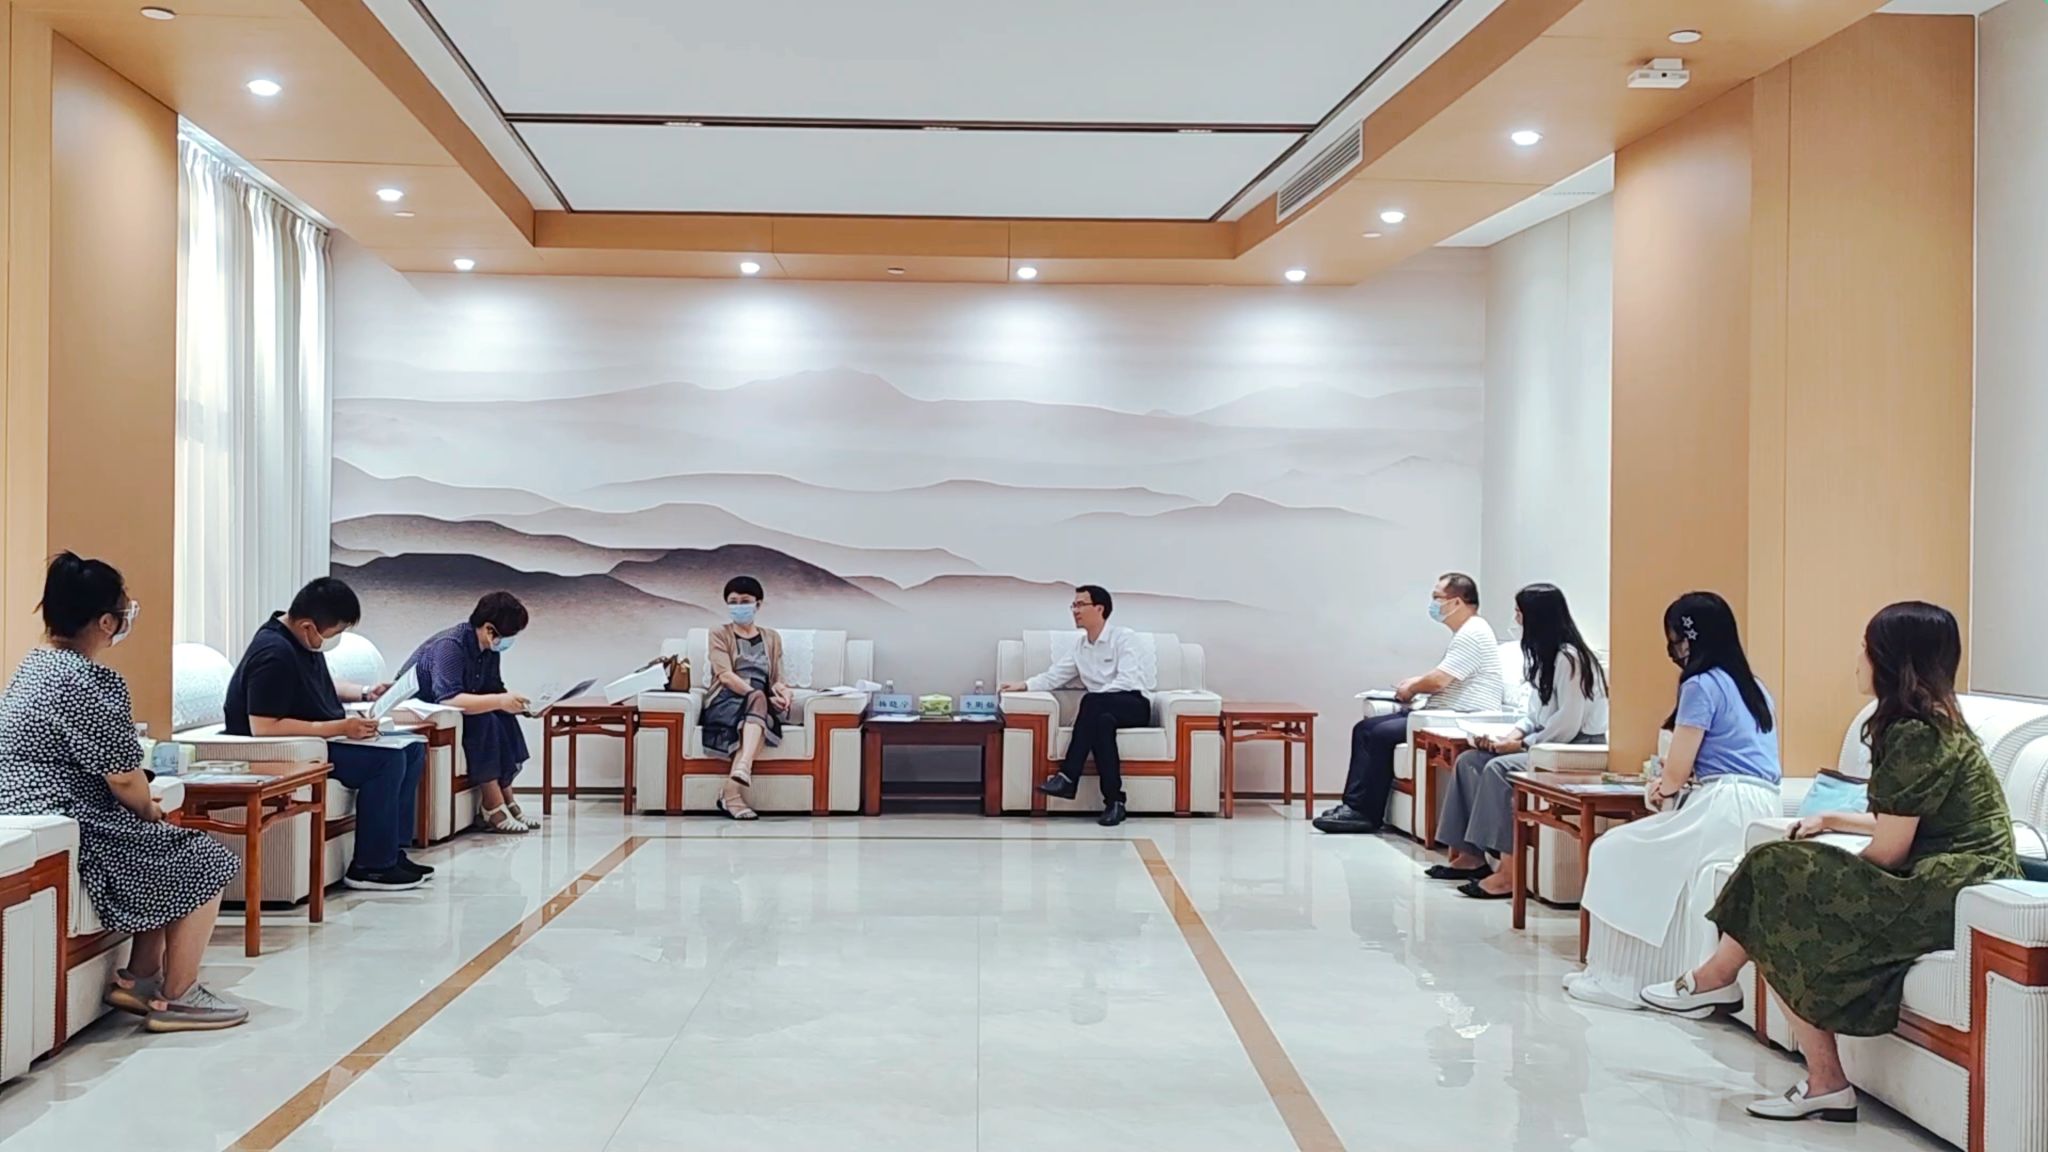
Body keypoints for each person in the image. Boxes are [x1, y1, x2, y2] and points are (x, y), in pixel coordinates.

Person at [1642, 602, 2018, 1123]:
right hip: (1945, 873)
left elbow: (1890, 850)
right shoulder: (1928, 721)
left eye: (1866, 648)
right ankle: (1751, 1012)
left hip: (1951, 886)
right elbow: (1904, 819)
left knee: (1777, 876)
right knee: (1775, 871)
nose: (1858, 659)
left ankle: (1726, 989)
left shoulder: (1915, 732)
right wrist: (1833, 821)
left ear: (1892, 659)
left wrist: (1828, 878)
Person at [0, 553, 246, 1031]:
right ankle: (179, 996)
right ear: (106, 622)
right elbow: (124, 778)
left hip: (29, 805)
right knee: (206, 860)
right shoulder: (91, 682)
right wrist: (149, 808)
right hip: (69, 813)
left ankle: (140, 979)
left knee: (164, 852)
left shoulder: (34, 668)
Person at [1562, 591, 1782, 1013]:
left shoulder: (1700, 685)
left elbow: (1676, 774)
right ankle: (1659, 976)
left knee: (1611, 851)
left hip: (1721, 805)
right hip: (1760, 809)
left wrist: (1658, 788)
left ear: (1687, 638)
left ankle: (1620, 980)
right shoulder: (1756, 688)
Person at [225, 577, 430, 891]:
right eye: (335, 633)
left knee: (412, 749)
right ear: (308, 625)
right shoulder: (273, 654)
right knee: (386, 762)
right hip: (296, 750)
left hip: (321, 738)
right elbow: (264, 727)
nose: (335, 639)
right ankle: (371, 867)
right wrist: (342, 728)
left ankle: (391, 851)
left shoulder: (298, 641)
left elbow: (318, 685)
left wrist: (365, 693)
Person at [1430, 583, 1608, 898]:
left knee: (1498, 769)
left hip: (1570, 748)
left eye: (1519, 613)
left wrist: (1523, 746)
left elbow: (1567, 723)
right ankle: (1470, 855)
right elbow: (1534, 713)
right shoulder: (1543, 657)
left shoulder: (1571, 659)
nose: (1516, 619)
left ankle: (1509, 874)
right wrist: (1509, 737)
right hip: (1544, 742)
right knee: (1469, 761)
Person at [1315, 572, 1506, 834]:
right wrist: (1416, 684)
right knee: (1365, 729)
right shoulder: (1467, 631)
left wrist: (1413, 687)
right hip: (1441, 712)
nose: (1433, 604)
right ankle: (1353, 806)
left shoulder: (1473, 632)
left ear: (1457, 602)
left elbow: (1439, 681)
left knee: (1379, 734)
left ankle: (1365, 813)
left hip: (1457, 717)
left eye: (1437, 598)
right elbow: (1446, 676)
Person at [999, 584, 1156, 828]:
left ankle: (1069, 776)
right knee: (1102, 724)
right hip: (1103, 712)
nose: (1075, 611)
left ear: (1100, 609)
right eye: (1073, 605)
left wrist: (1089, 709)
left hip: (1133, 704)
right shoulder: (1080, 647)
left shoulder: (1123, 638)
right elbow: (1055, 676)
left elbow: (1127, 681)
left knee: (1092, 702)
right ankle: (1115, 802)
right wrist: (1024, 685)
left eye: (1080, 605)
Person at [400, 592, 535, 833]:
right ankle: (492, 805)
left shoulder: (489, 650)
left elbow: (493, 690)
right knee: (484, 719)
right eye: (508, 635)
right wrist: (499, 701)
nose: (508, 641)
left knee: (503, 717)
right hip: (423, 710)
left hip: (455, 709)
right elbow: (449, 698)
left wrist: (520, 706)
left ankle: (508, 799)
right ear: (489, 629)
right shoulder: (450, 646)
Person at [700, 576, 790, 821]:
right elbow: (725, 675)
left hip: (759, 701)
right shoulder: (719, 633)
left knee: (759, 712)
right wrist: (758, 695)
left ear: (757, 604)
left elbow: (777, 679)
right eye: (733, 602)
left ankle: (731, 792)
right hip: (727, 697)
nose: (739, 606)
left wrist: (784, 693)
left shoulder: (772, 637)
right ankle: (743, 770)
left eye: (745, 601)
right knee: (759, 705)